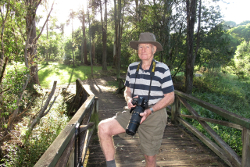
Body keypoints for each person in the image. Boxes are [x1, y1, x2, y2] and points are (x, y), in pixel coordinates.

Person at [98, 32, 175, 167]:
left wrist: (150, 110)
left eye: (147, 46)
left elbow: (170, 97)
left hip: (155, 114)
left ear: (154, 49)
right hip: (134, 111)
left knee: (149, 158)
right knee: (103, 128)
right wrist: (128, 100)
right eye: (140, 47)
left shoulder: (163, 69)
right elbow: (127, 91)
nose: (143, 50)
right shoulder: (132, 68)